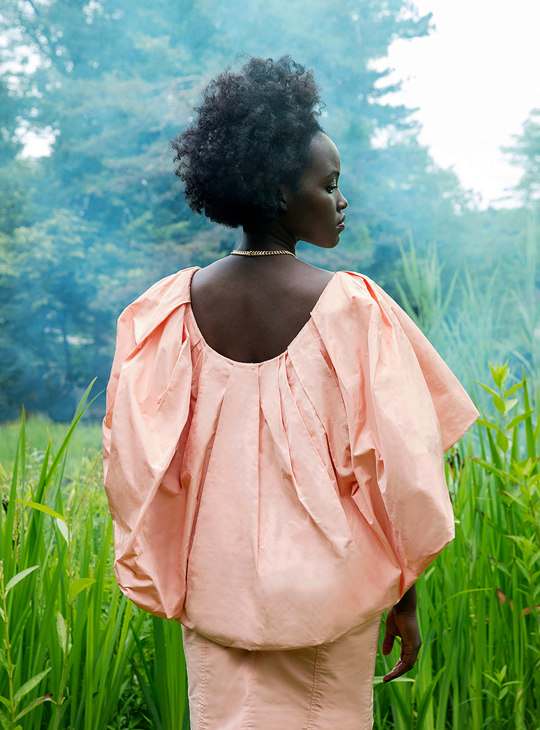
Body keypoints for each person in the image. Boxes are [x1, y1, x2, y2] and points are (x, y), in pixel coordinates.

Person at [102, 56, 479, 729]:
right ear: (280, 192)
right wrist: (405, 595)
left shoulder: (165, 313)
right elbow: (403, 478)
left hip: (216, 597)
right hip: (331, 599)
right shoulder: (353, 310)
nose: (341, 200)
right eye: (328, 185)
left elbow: (136, 469)